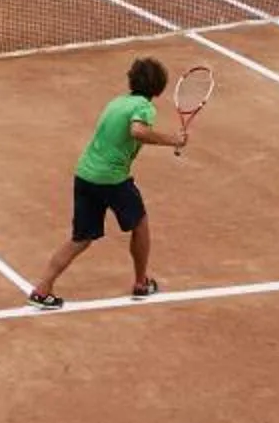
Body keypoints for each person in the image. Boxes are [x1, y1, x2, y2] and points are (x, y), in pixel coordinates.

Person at [27, 57, 190, 309]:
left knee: (81, 238)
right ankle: (141, 283)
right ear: (159, 87)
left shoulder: (117, 102)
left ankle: (42, 289)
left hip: (85, 174)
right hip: (111, 179)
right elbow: (137, 131)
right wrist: (173, 140)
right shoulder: (144, 108)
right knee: (140, 224)